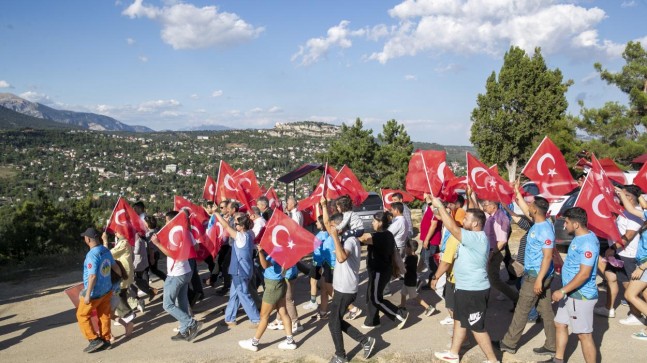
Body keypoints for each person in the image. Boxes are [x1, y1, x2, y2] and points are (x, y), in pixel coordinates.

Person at [427, 194, 499, 363]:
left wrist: (440, 207)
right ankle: (453, 353)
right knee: (459, 320)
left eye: (466, 218)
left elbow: (453, 228)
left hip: (474, 290)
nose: (463, 220)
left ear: (475, 223)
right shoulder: (472, 235)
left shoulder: (476, 237)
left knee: (476, 327)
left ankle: (492, 360)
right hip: (464, 287)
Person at [494, 194, 556, 358]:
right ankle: (552, 345)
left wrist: (539, 280)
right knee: (546, 310)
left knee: (522, 309)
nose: (528, 207)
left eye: (531, 205)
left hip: (536, 275)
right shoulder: (539, 222)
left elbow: (548, 256)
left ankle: (508, 343)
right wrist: (516, 192)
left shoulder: (544, 229)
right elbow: (522, 209)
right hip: (538, 274)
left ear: (535, 209)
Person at [322, 197, 376, 363]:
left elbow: (341, 258)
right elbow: (327, 223)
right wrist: (323, 206)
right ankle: (365, 341)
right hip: (341, 287)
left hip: (346, 289)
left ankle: (341, 355)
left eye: (333, 226)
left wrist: (336, 238)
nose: (330, 229)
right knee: (335, 321)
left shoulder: (351, 240)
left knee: (333, 323)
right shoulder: (344, 237)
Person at [551, 207, 599, 363]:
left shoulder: (587, 244)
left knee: (584, 335)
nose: (565, 225)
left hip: (579, 295)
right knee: (560, 324)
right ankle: (558, 360)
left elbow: (584, 274)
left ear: (576, 224)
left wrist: (562, 291)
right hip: (570, 294)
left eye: (567, 222)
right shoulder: (580, 238)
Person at [150, 211, 202, 342]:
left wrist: (157, 244)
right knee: (182, 301)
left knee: (167, 304)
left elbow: (173, 254)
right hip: (186, 270)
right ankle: (184, 330)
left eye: (166, 221)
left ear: (171, 221)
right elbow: (196, 246)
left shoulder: (174, 232)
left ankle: (191, 323)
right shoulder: (185, 231)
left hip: (176, 273)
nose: (165, 223)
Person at [595, 185, 644, 325]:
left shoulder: (637, 213)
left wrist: (612, 248)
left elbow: (628, 235)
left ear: (633, 198)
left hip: (628, 255)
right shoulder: (624, 211)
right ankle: (608, 308)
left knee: (629, 287)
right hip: (617, 253)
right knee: (610, 277)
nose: (623, 198)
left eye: (626, 195)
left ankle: (637, 315)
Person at [238, 244, 297, 351]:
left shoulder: (278, 252)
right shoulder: (285, 249)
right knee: (283, 312)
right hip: (280, 283)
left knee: (264, 316)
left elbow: (265, 265)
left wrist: (260, 252)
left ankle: (254, 342)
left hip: (273, 285)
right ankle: (290, 341)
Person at [358, 211, 409, 330]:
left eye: (374, 221)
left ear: (380, 223)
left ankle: (399, 314)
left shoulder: (379, 237)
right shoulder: (388, 234)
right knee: (372, 295)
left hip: (379, 271)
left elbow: (363, 240)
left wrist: (352, 234)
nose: (372, 223)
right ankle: (372, 321)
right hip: (381, 270)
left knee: (375, 298)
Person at [76, 228, 121, 353]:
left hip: (94, 293)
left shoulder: (92, 255)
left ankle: (94, 339)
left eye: (84, 237)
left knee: (82, 315)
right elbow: (115, 266)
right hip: (106, 289)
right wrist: (120, 279)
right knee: (104, 315)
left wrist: (87, 295)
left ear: (88, 239)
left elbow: (92, 276)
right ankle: (106, 340)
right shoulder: (105, 250)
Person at [214, 211, 261, 327]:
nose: (235, 226)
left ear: (242, 226)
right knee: (234, 295)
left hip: (240, 271)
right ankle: (230, 318)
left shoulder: (240, 236)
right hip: (246, 269)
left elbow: (226, 226)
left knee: (244, 295)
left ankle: (256, 319)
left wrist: (216, 213)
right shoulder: (250, 234)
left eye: (236, 224)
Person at [616, 186, 647, 339]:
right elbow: (633, 208)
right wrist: (622, 193)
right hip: (642, 261)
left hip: (645, 265)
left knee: (630, 294)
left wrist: (641, 267)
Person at [481, 199, 519, 306]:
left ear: (493, 206)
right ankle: (483, 299)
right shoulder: (490, 215)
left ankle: (516, 297)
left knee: (494, 280)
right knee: (486, 276)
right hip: (489, 251)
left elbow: (502, 241)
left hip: (496, 252)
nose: (484, 206)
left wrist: (492, 253)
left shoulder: (501, 218)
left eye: (486, 204)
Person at [400, 239, 436, 317]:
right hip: (408, 280)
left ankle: (428, 307)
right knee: (403, 293)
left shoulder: (409, 258)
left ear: (410, 248)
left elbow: (404, 268)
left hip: (410, 281)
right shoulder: (415, 256)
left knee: (414, 296)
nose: (405, 249)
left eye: (406, 247)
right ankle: (402, 307)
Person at [145, 215, 166, 282]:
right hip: (156, 253)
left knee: (151, 270)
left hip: (151, 254)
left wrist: (152, 258)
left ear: (148, 224)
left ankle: (146, 287)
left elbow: (151, 247)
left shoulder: (149, 234)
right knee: (152, 270)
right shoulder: (157, 230)